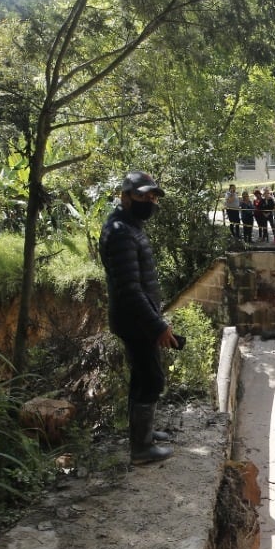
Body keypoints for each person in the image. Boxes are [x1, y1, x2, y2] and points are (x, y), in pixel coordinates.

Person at [99, 171, 184, 464]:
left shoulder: (129, 226)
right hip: (135, 320)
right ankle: (141, 448)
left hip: (135, 318)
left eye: (152, 196)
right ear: (124, 196)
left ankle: (143, 433)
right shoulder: (121, 231)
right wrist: (157, 325)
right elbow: (129, 288)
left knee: (141, 376)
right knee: (151, 380)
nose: (149, 201)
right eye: (142, 195)